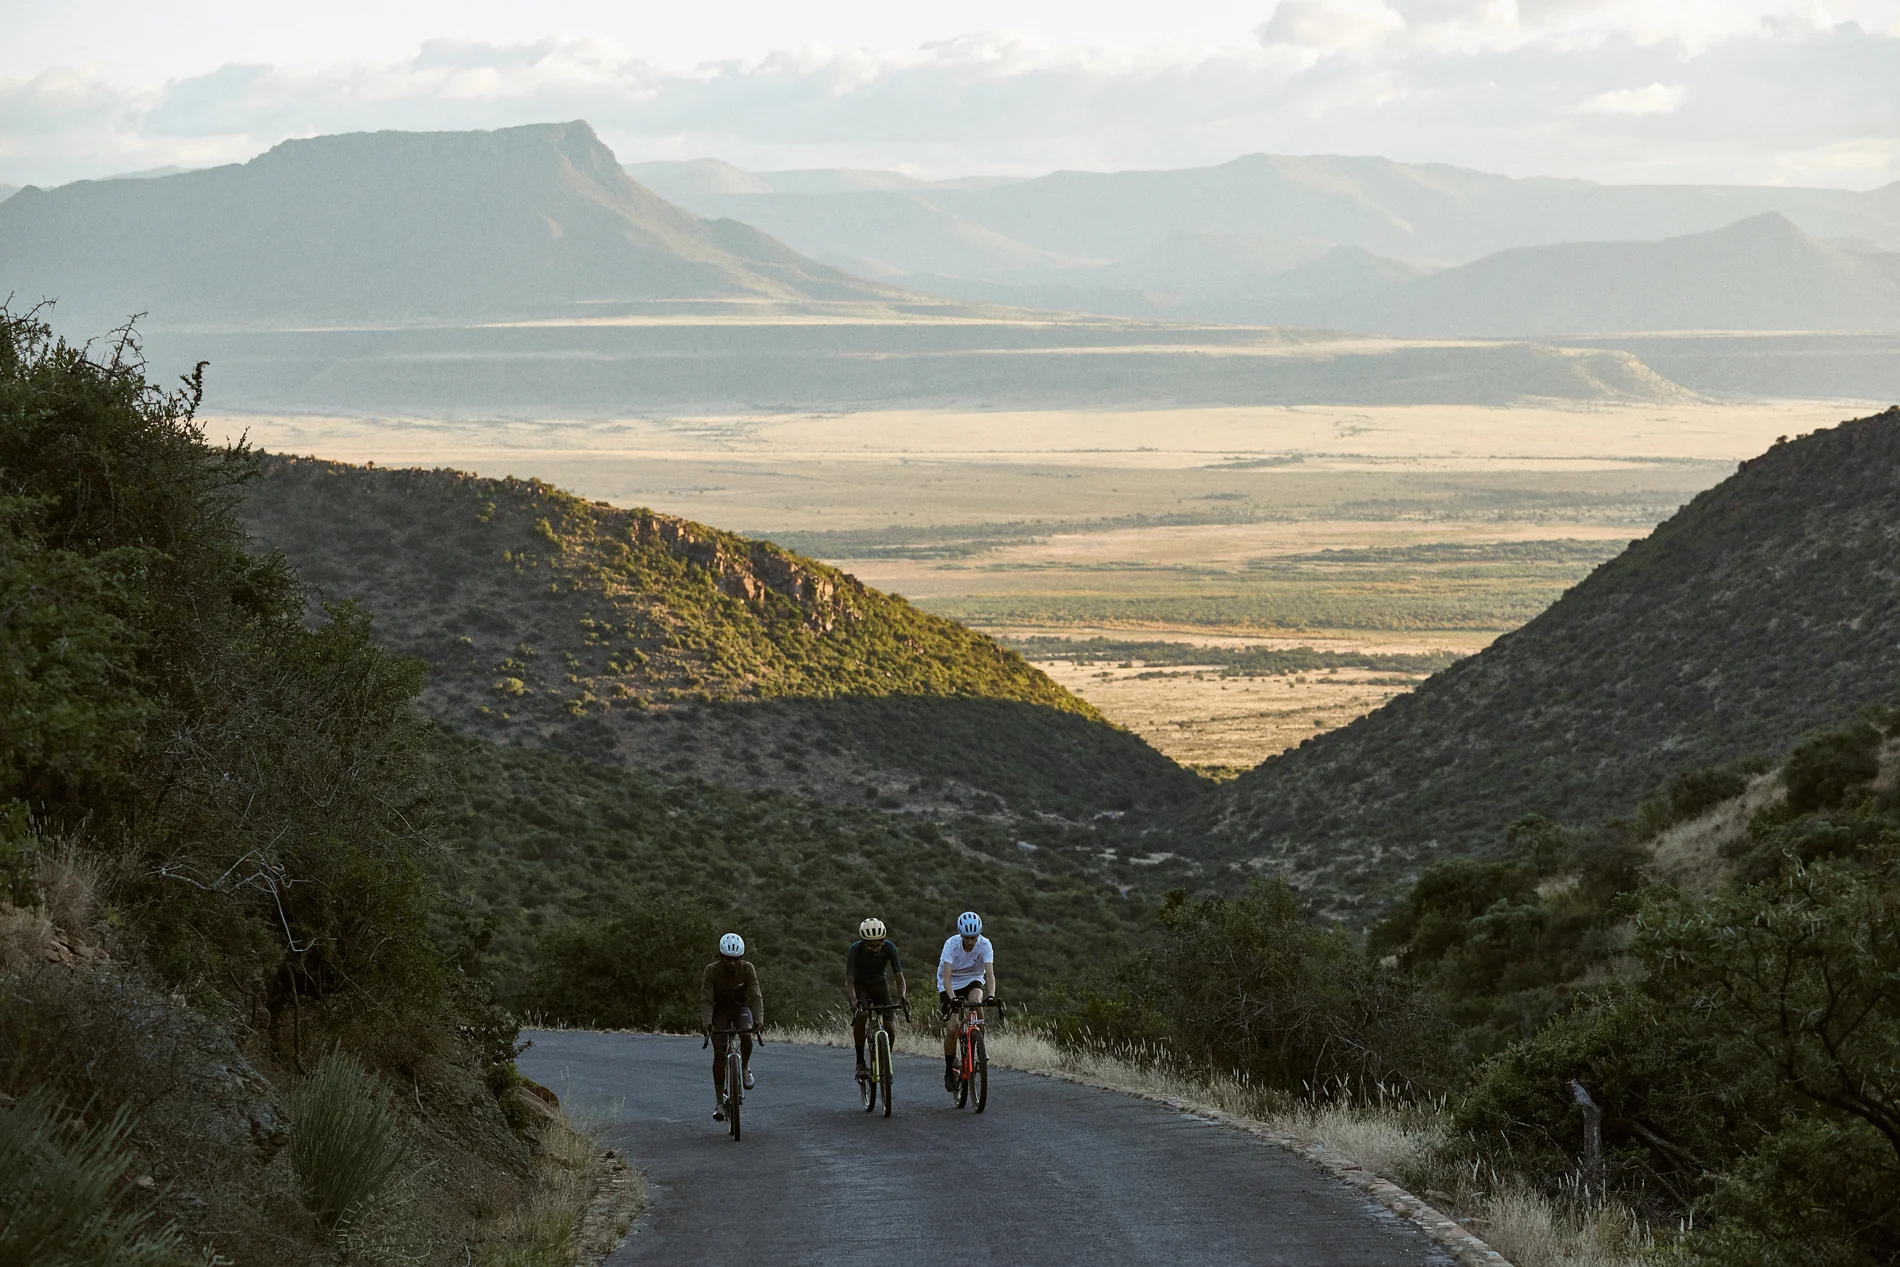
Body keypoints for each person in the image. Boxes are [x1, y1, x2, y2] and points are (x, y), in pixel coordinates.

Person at [700, 932, 764, 1120]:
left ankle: (744, 1067)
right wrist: (707, 1022)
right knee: (719, 1050)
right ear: (721, 956)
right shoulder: (711, 971)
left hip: (740, 1007)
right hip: (719, 1010)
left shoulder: (748, 969)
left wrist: (759, 1020)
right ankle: (720, 1102)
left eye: (736, 959)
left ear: (741, 958)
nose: (732, 963)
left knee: (746, 1034)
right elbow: (706, 999)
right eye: (728, 959)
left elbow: (755, 995)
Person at [937, 911, 997, 1094]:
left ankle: (980, 1045)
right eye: (966, 938)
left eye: (973, 937)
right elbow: (946, 977)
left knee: (977, 1002)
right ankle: (949, 1069)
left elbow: (990, 974)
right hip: (950, 983)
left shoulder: (985, 944)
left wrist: (992, 995)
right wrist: (953, 998)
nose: (970, 942)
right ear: (960, 935)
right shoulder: (951, 945)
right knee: (953, 1027)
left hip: (972, 979)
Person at [844, 917, 908, 1077]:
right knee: (862, 1015)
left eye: (877, 945)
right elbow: (849, 982)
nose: (874, 949)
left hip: (879, 984)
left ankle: (886, 1060)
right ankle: (860, 1063)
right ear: (863, 943)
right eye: (870, 946)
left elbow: (899, 977)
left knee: (889, 1026)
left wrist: (903, 997)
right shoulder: (855, 950)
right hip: (861, 985)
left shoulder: (889, 948)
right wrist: (853, 1001)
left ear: (883, 942)